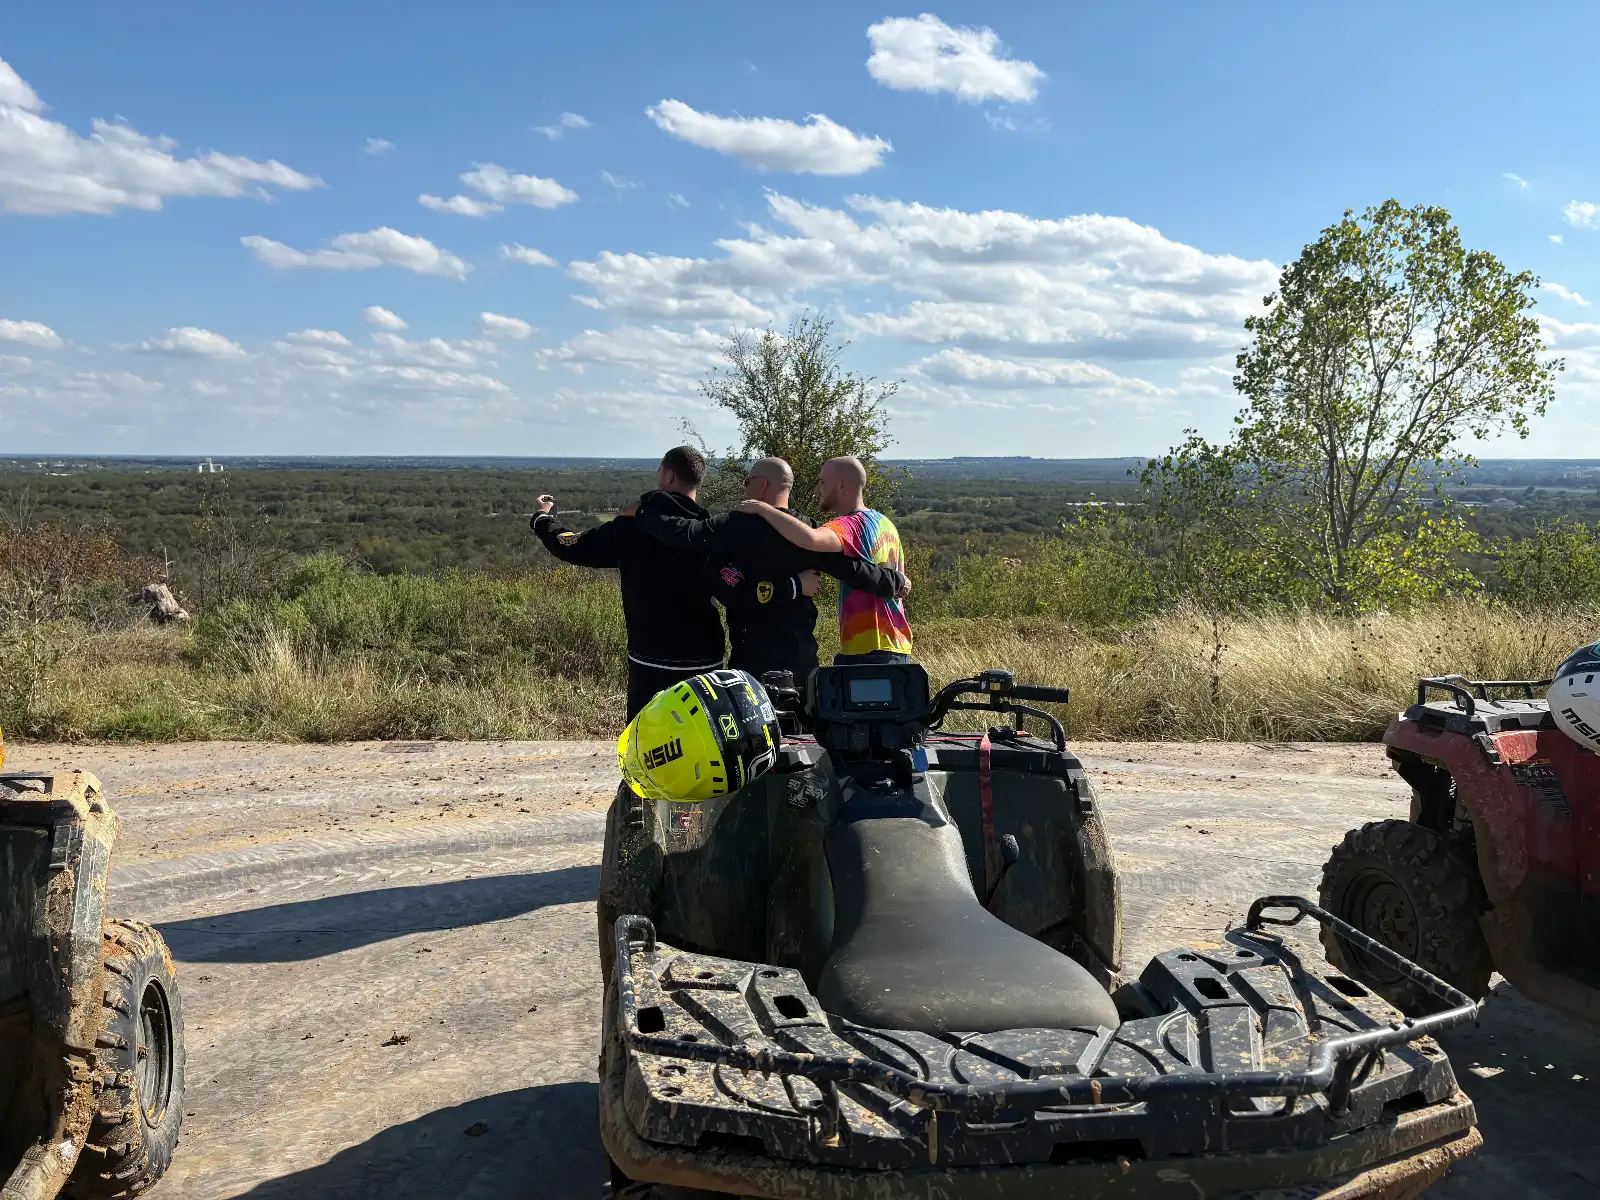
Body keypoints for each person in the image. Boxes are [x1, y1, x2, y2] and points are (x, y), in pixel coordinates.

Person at [632, 456, 910, 686]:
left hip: (751, 660)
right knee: (800, 733)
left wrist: (644, 513)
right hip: (800, 659)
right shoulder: (804, 530)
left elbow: (686, 534)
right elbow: (852, 569)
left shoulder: (736, 525)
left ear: (762, 484)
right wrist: (895, 582)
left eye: (748, 481)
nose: (745, 488)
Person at [532, 445, 734, 719]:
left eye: (660, 472)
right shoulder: (710, 531)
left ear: (669, 475)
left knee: (647, 735)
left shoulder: (631, 527)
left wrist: (542, 518)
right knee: (703, 733)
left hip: (651, 658)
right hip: (705, 658)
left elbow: (572, 545)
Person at [737, 456, 912, 664]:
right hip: (896, 643)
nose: (816, 490)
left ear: (842, 486)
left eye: (822, 482)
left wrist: (763, 509)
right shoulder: (885, 524)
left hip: (869, 647)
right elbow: (901, 584)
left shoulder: (850, 525)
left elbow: (810, 539)